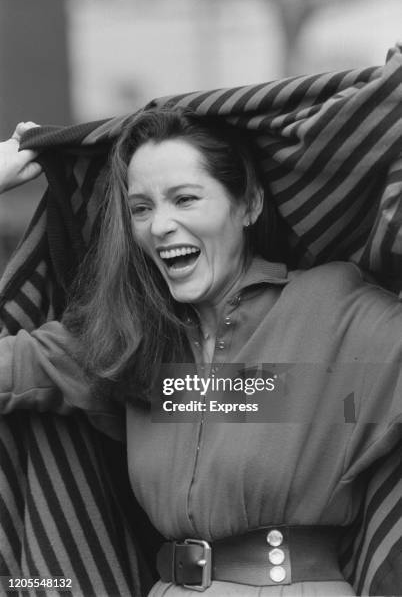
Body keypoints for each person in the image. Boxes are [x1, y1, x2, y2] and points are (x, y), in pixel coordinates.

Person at [0, 109, 401, 597]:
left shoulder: (334, 308)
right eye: (141, 208)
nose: (159, 226)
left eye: (185, 199)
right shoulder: (125, 341)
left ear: (248, 203)